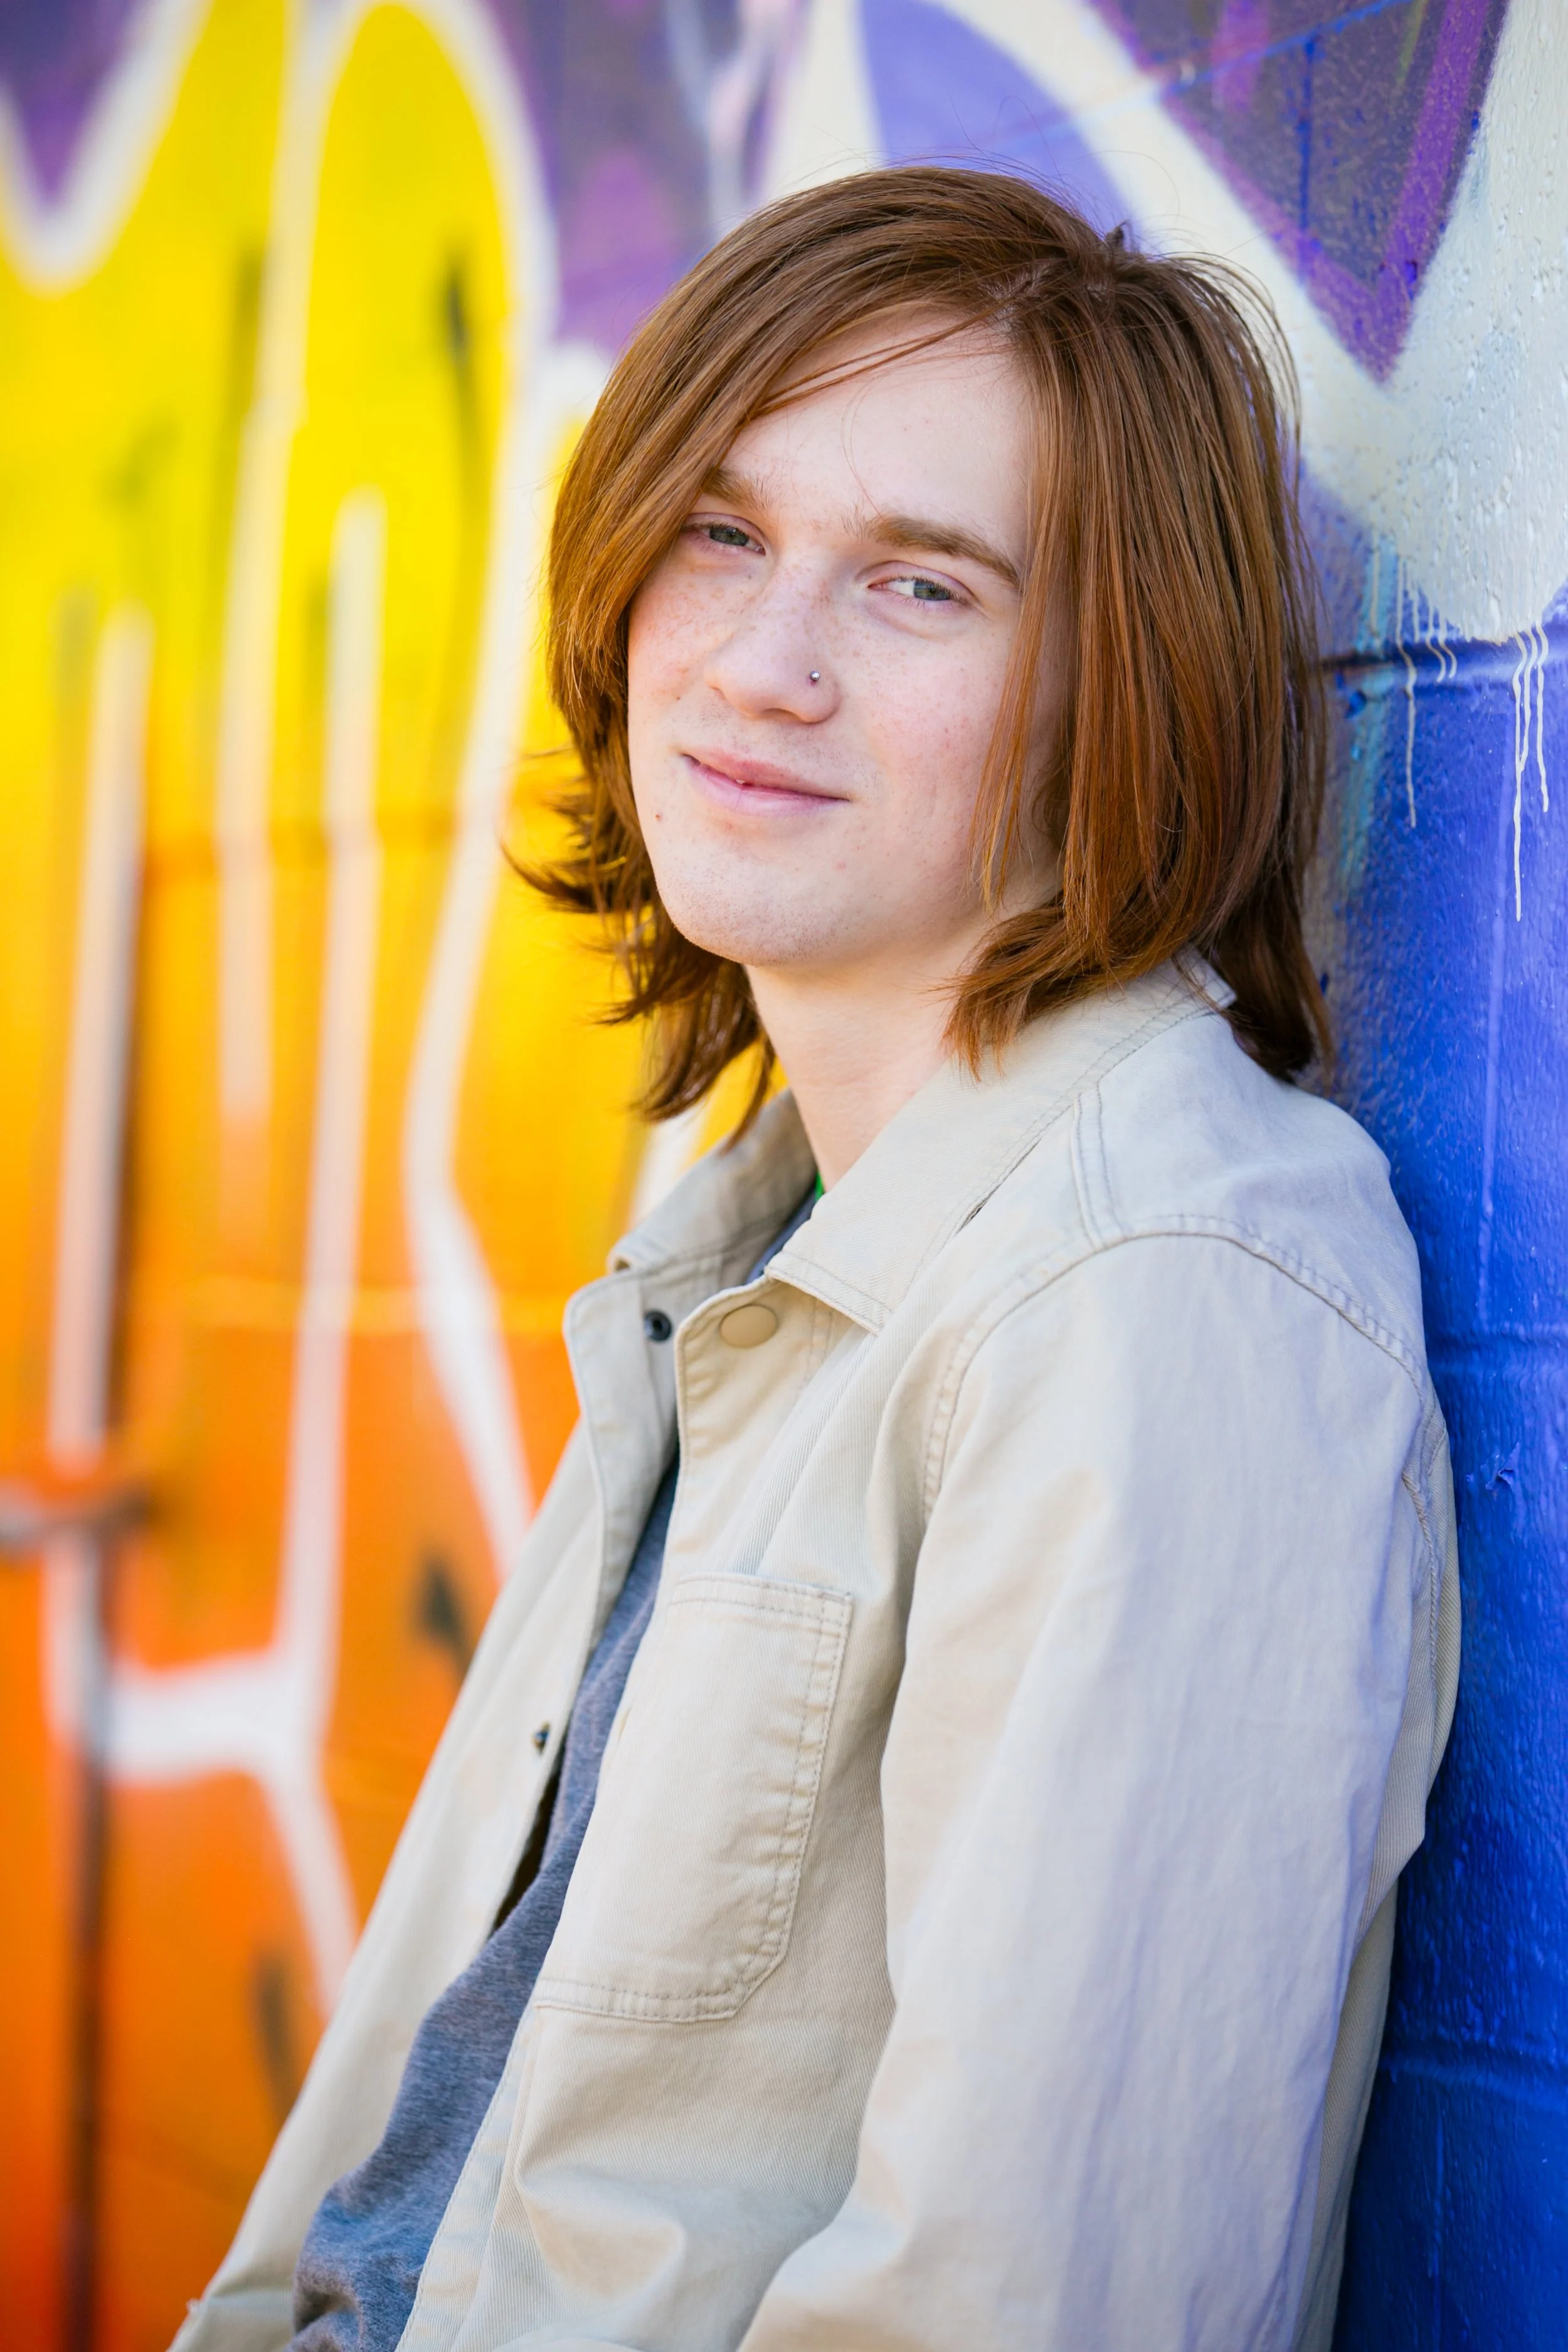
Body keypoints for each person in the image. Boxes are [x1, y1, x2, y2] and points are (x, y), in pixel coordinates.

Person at [174, 167, 1458, 2352]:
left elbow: (1037, 2301)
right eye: (722, 531)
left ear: (1107, 687)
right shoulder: (760, 1232)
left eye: (921, 586)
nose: (761, 665)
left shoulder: (1156, 1284)